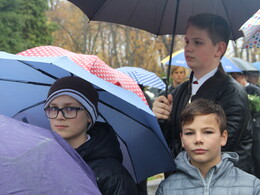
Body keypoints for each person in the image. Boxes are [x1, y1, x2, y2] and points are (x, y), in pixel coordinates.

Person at [152, 13, 253, 174]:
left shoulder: (232, 93)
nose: (188, 48)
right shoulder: (178, 92)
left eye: (198, 42)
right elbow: (163, 144)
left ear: (219, 49)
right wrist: (160, 119)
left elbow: (214, 151)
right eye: (186, 41)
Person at [44, 76, 138, 195]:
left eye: (70, 108)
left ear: (89, 115)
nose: (59, 116)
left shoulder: (112, 176)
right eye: (53, 108)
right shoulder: (43, 161)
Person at [156, 99, 260, 195]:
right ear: (182, 139)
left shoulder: (251, 187)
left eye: (207, 132)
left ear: (223, 137)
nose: (198, 139)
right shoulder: (167, 189)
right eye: (189, 133)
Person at [231, 72, 260, 179]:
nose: (235, 80)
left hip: (256, 126)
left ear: (243, 76)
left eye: (236, 77)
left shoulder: (254, 89)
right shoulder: (233, 90)